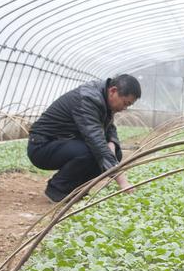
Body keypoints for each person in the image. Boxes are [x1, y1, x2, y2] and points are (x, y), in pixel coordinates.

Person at [27, 74, 141, 202]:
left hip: (61, 143)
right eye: (125, 103)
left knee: (116, 154)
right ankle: (57, 189)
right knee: (90, 152)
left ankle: (75, 190)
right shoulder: (88, 98)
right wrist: (122, 182)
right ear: (113, 91)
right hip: (42, 146)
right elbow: (95, 140)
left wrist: (112, 144)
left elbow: (109, 127)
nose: (124, 108)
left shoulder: (104, 98)